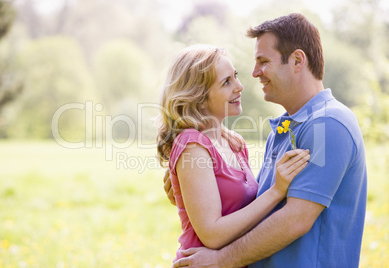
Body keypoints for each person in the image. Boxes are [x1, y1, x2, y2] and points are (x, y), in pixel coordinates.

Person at [169, 13, 368, 268]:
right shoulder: (284, 128)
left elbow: (295, 219)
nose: (254, 74)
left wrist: (221, 260)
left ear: (297, 60)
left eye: (263, 61)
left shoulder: (329, 123)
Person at [156, 44, 310, 264]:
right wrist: (276, 191)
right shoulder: (192, 145)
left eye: (235, 77)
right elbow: (213, 234)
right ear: (199, 96)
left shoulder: (234, 142)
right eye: (226, 82)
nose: (239, 87)